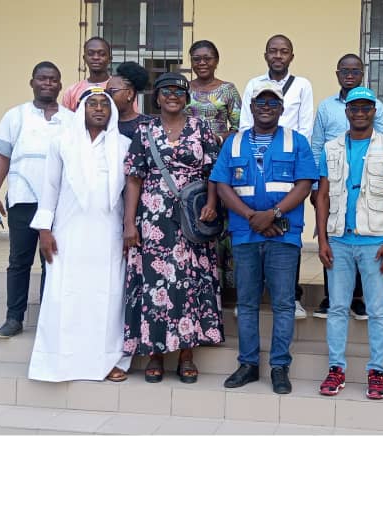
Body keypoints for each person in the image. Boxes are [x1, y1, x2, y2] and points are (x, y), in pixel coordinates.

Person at [211, 82, 317, 394]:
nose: (266, 108)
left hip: (283, 234)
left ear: (282, 109)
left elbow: (304, 184)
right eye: (261, 103)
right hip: (245, 234)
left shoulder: (296, 141)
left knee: (283, 303)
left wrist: (273, 214)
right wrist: (252, 217)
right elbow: (222, 185)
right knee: (246, 302)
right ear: (251, 107)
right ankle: (248, 364)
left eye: (273, 103)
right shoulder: (233, 142)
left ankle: (279, 366)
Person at [122, 72, 223, 384]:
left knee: (189, 282)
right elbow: (134, 177)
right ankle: (155, 354)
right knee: (155, 285)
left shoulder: (200, 128)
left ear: (186, 98)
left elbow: (214, 171)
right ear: (157, 97)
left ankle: (186, 355)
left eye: (179, 92)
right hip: (154, 219)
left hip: (192, 217)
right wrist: (129, 222)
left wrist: (211, 203)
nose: (172, 96)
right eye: (166, 91)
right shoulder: (144, 130)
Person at [27, 87, 132, 383]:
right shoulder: (62, 143)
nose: (98, 109)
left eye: (104, 104)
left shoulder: (124, 145)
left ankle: (109, 361)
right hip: (68, 232)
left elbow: (130, 192)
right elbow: (49, 189)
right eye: (92, 104)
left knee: (108, 298)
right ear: (81, 110)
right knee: (66, 296)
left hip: (108, 234)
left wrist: (129, 228)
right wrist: (44, 230)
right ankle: (61, 361)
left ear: (112, 112)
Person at [316, 87, 383, 400]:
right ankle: (336, 368)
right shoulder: (331, 148)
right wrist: (322, 239)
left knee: (377, 310)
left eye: (365, 108)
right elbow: (322, 196)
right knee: (338, 307)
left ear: (374, 112)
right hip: (339, 240)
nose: (359, 113)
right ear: (347, 112)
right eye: (354, 108)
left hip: (375, 242)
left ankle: (376, 371)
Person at [0, 61, 71, 339]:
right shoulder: (15, 116)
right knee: (19, 261)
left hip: (58, 203)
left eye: (53, 79)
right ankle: (14, 318)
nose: (47, 83)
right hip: (22, 200)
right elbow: (2, 157)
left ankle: (48, 318)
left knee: (52, 261)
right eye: (42, 78)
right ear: (32, 82)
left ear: (60, 85)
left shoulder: (71, 119)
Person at [239, 34, 314, 318]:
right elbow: (245, 124)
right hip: (255, 161)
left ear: (291, 56)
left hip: (289, 162)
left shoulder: (302, 85)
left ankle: (292, 296)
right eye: (273, 51)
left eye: (284, 51)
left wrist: (291, 156)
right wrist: (256, 159)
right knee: (254, 231)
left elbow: (305, 128)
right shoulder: (254, 84)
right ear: (265, 55)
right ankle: (252, 297)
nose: (278, 56)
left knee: (288, 231)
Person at [309, 53, 383, 320]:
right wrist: (315, 185)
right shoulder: (326, 107)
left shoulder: (376, 105)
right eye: (345, 71)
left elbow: (381, 142)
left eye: (355, 71)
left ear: (362, 74)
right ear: (338, 74)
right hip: (332, 181)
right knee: (332, 233)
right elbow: (317, 145)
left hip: (365, 181)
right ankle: (331, 296)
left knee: (361, 233)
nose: (350, 75)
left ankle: (357, 298)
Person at [185, 39, 243, 306]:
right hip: (189, 165)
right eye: (196, 58)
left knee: (222, 221)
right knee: (193, 216)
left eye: (207, 58)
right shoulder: (183, 89)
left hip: (221, 163)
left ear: (216, 60)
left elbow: (240, 127)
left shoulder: (228, 90)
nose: (202, 63)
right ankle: (195, 283)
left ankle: (226, 289)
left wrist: (216, 139)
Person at [61, 37, 112, 111]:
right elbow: (66, 117)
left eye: (102, 54)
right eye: (90, 54)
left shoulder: (119, 88)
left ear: (109, 59)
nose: (96, 57)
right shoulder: (71, 92)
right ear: (84, 58)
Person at [107, 61, 152, 139]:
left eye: (112, 91)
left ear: (130, 93)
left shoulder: (149, 124)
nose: (107, 96)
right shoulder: (102, 123)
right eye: (106, 92)